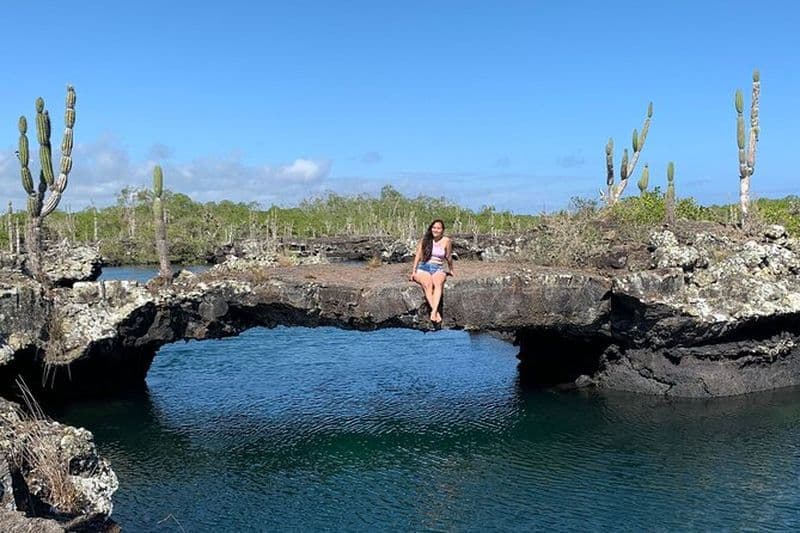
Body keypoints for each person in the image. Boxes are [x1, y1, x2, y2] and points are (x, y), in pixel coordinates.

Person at [409, 219, 454, 323]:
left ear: (442, 230)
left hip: (438, 268)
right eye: (434, 227)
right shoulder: (424, 240)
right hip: (424, 267)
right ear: (431, 228)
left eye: (438, 228)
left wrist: (451, 269)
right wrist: (414, 271)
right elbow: (418, 256)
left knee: (438, 283)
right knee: (428, 284)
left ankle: (433, 311)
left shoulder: (446, 241)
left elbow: (448, 256)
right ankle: (435, 312)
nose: (436, 230)